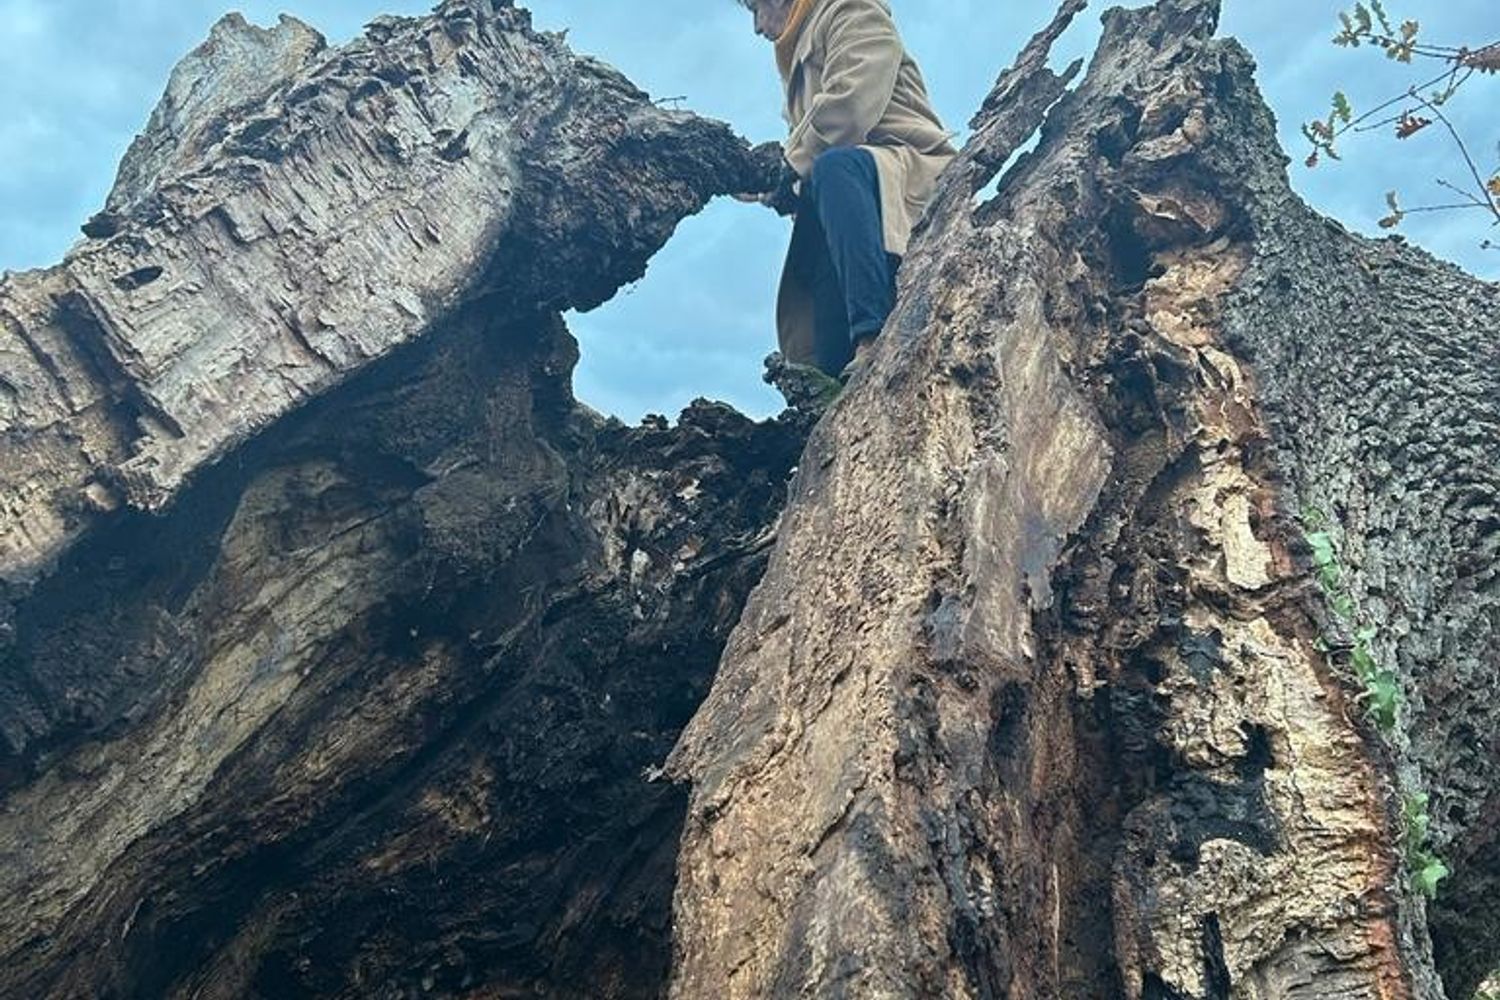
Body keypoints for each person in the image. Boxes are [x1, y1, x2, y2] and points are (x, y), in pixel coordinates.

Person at [737, 0, 957, 379]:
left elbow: (849, 109)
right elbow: (808, 150)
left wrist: (787, 166)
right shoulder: (799, 54)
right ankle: (833, 373)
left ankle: (872, 337)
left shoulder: (852, 10)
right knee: (816, 231)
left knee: (833, 168)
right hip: (850, 193)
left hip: (905, 174)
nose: (757, 27)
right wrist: (764, 187)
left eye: (756, 8)